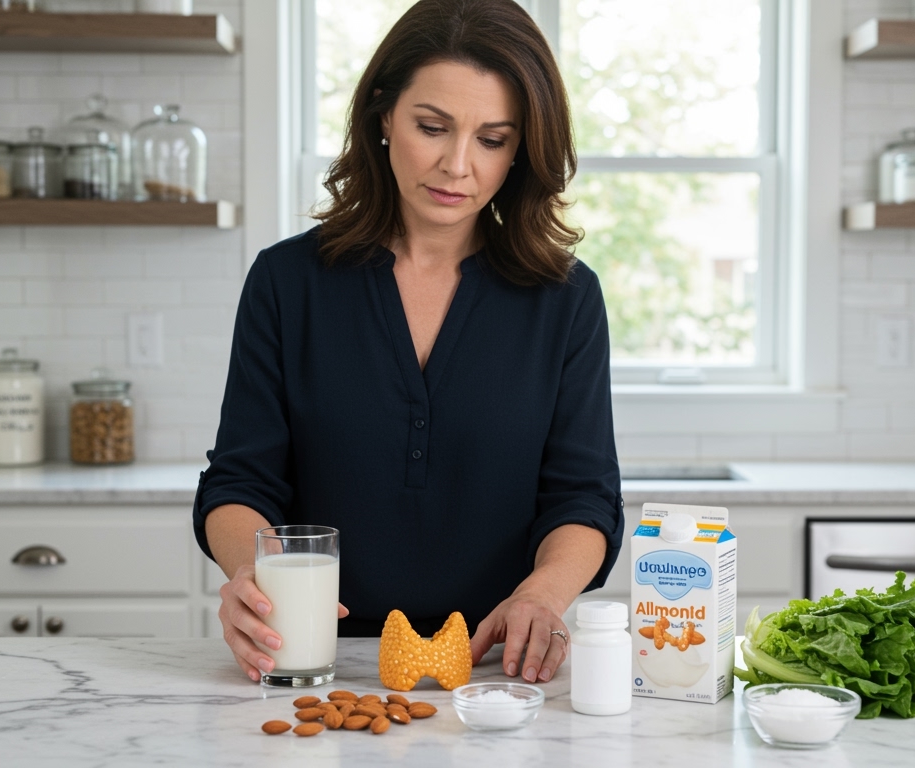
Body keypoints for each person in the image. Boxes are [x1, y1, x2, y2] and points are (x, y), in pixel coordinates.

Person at [193, 0, 622, 687]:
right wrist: (250, 573)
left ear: (521, 151)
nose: (457, 165)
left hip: (498, 672)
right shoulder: (287, 281)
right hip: (315, 665)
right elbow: (240, 480)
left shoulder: (565, 298)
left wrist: (542, 596)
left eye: (493, 139)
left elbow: (583, 497)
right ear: (383, 116)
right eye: (432, 127)